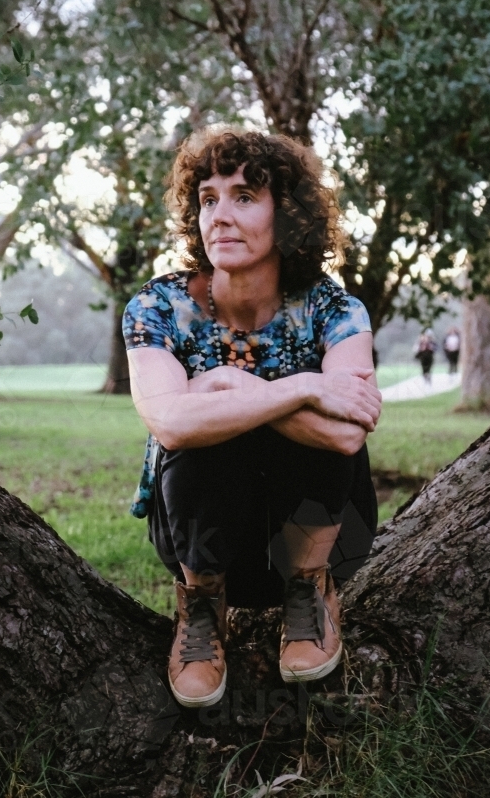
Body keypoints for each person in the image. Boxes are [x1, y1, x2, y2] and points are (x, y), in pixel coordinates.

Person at [124, 127, 381, 708]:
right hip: (204, 544)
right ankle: (202, 611)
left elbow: (346, 435)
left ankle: (310, 594)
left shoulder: (334, 309)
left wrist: (229, 386)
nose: (219, 214)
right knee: (205, 440)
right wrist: (306, 388)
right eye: (209, 198)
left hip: (322, 537)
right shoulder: (159, 307)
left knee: (235, 418)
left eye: (244, 196)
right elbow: (170, 425)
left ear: (286, 216)